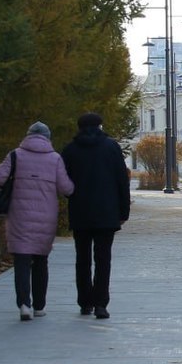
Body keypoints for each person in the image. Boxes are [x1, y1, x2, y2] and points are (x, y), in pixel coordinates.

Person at [0, 122, 74, 321]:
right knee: (41, 261)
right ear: (47, 137)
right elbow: (67, 188)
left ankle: (24, 305)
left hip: (19, 214)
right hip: (46, 216)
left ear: (28, 136)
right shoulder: (55, 159)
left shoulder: (15, 155)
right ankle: (39, 306)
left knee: (21, 260)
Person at [61, 112, 131, 319]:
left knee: (81, 258)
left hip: (80, 212)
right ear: (100, 126)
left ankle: (85, 302)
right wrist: (123, 211)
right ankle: (101, 304)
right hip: (106, 212)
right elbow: (122, 181)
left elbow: (63, 181)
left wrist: (70, 195)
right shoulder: (111, 147)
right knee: (103, 259)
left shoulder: (70, 149)